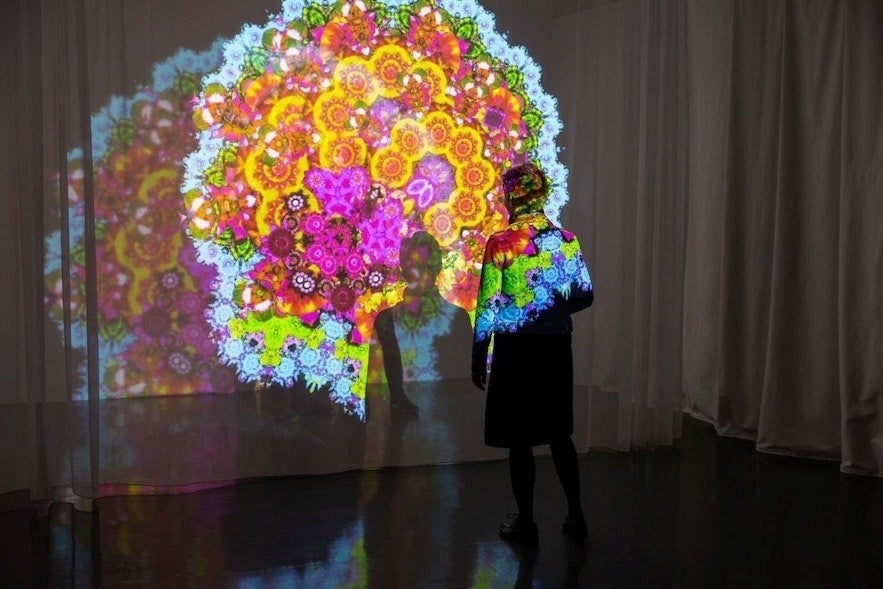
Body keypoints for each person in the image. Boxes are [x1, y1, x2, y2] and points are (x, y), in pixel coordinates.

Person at [471, 162, 594, 544]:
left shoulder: (501, 243)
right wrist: (550, 307)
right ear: (542, 194)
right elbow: (585, 295)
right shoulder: (566, 240)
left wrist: (479, 355)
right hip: (555, 348)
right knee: (559, 434)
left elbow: (488, 305)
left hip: (515, 350)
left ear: (512, 196)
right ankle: (576, 515)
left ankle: (526, 520)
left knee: (519, 439)